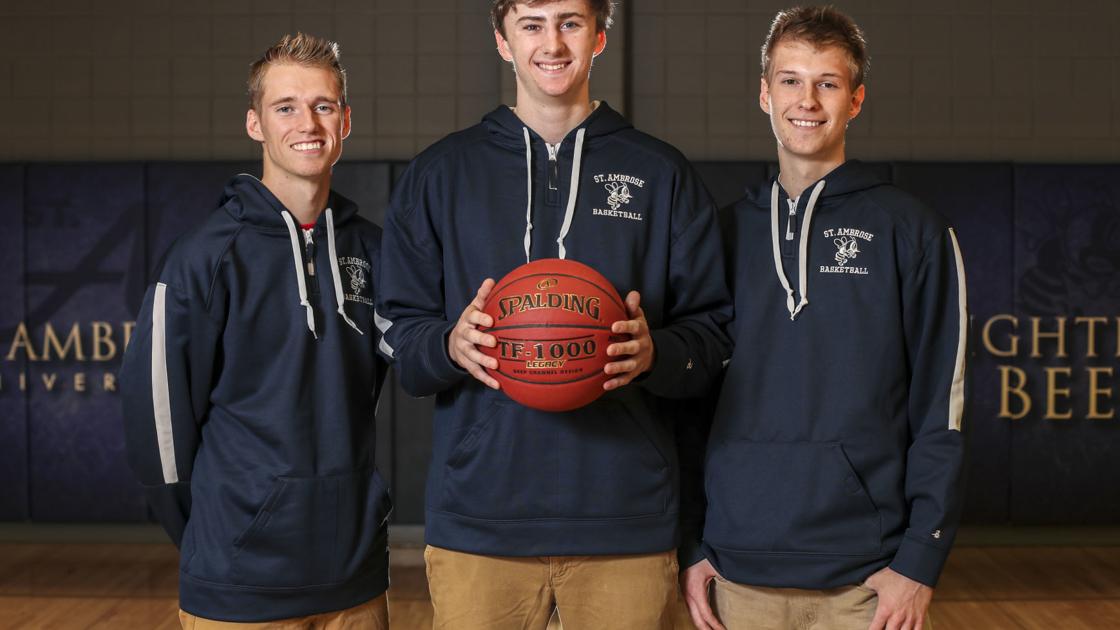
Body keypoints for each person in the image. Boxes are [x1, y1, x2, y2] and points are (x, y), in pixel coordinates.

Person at [375, 0, 732, 628]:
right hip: (479, 523)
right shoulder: (441, 173)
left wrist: (658, 354)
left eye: (570, 22)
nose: (553, 43)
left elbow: (713, 333)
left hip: (626, 521)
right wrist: (448, 345)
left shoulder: (660, 172)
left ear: (599, 36)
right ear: (501, 39)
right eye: (532, 24)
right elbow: (398, 332)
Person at [679, 6, 968, 630]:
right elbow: (689, 405)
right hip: (737, 572)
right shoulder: (720, 235)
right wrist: (692, 545)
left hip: (867, 580)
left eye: (828, 83)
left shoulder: (912, 231)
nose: (806, 100)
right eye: (790, 80)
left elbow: (940, 408)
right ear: (764, 93)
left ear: (855, 99)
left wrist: (920, 562)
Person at [120, 33, 392, 628]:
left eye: (323, 106)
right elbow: (157, 424)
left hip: (355, 578)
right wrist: (219, 537)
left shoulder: (375, 250)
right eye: (285, 107)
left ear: (345, 121)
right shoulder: (204, 257)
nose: (308, 123)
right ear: (255, 124)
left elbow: (422, 357)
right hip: (239, 583)